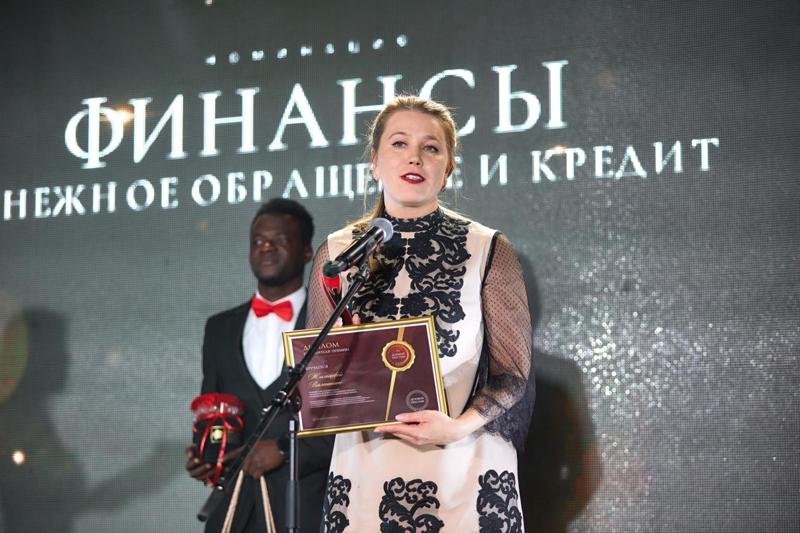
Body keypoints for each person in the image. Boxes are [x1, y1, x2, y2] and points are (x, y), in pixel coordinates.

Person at [306, 96, 534, 531]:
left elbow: (513, 374)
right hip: (364, 469)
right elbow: (318, 373)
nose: (414, 157)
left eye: (431, 147)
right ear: (374, 162)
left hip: (465, 466)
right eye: (399, 143)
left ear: (447, 170)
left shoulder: (487, 247)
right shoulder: (336, 253)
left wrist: (456, 427)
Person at [186, 198, 333, 533]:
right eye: (258, 241)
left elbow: (346, 425)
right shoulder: (219, 328)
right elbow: (213, 409)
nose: (266, 247)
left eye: (279, 240)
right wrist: (206, 455)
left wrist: (284, 450)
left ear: (307, 252)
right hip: (233, 511)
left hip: (305, 508)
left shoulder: (327, 321)